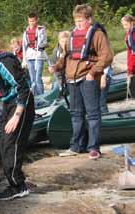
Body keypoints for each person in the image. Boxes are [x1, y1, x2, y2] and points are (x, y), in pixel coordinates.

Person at [0, 32, 35, 201]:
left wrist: (17, 116)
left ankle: (18, 186)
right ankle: (15, 182)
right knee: (4, 143)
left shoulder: (5, 63)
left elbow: (24, 89)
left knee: (12, 143)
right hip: (8, 104)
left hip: (22, 103)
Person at [55, 4, 113, 160]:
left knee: (93, 114)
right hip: (72, 80)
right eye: (76, 20)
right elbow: (67, 55)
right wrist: (57, 66)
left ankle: (94, 148)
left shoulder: (97, 34)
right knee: (76, 114)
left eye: (81, 20)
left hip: (88, 78)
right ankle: (75, 146)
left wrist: (93, 72)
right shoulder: (72, 34)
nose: (78, 23)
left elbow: (107, 56)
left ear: (89, 19)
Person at [22, 12, 48, 96]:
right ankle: (35, 96)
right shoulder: (26, 31)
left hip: (39, 55)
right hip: (29, 56)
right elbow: (24, 46)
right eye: (30, 21)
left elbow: (45, 42)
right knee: (32, 79)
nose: (32, 23)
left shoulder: (41, 29)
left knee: (37, 78)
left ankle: (42, 96)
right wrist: (24, 60)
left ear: (36, 20)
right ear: (28, 21)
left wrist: (41, 45)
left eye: (33, 21)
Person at [48, 31, 70, 96]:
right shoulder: (56, 52)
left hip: (70, 77)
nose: (64, 44)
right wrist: (53, 68)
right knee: (56, 88)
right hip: (59, 76)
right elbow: (54, 67)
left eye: (66, 42)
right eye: (62, 42)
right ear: (59, 42)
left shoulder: (72, 50)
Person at [122, 15, 135, 99]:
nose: (124, 27)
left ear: (132, 23)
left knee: (133, 91)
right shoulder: (129, 33)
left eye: (126, 24)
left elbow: (133, 53)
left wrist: (131, 69)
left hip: (133, 66)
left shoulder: (132, 35)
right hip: (132, 65)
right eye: (123, 25)